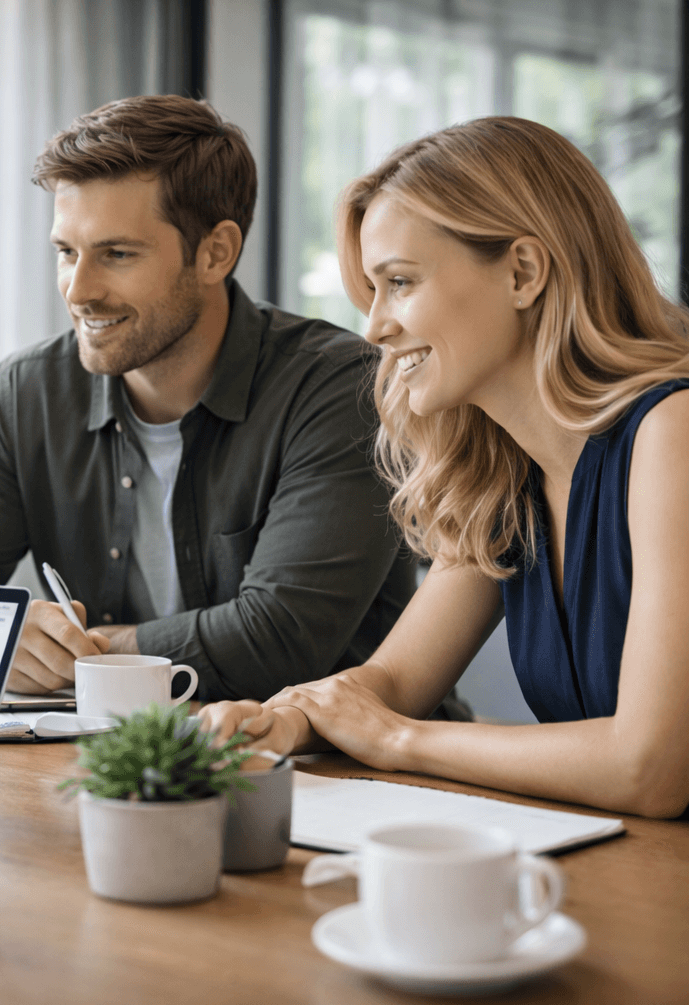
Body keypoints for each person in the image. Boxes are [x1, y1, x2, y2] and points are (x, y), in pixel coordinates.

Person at [199, 116, 689, 819]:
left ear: (523, 272)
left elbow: (651, 769)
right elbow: (393, 680)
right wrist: (288, 719)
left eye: (400, 282)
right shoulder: (504, 475)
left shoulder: (671, 433)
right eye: (373, 291)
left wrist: (401, 739)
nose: (374, 328)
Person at [0, 95, 428, 707]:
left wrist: (88, 655)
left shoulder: (336, 387)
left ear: (216, 252)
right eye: (67, 252)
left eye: (117, 254)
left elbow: (277, 640)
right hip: (106, 759)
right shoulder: (28, 393)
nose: (79, 291)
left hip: (332, 774)